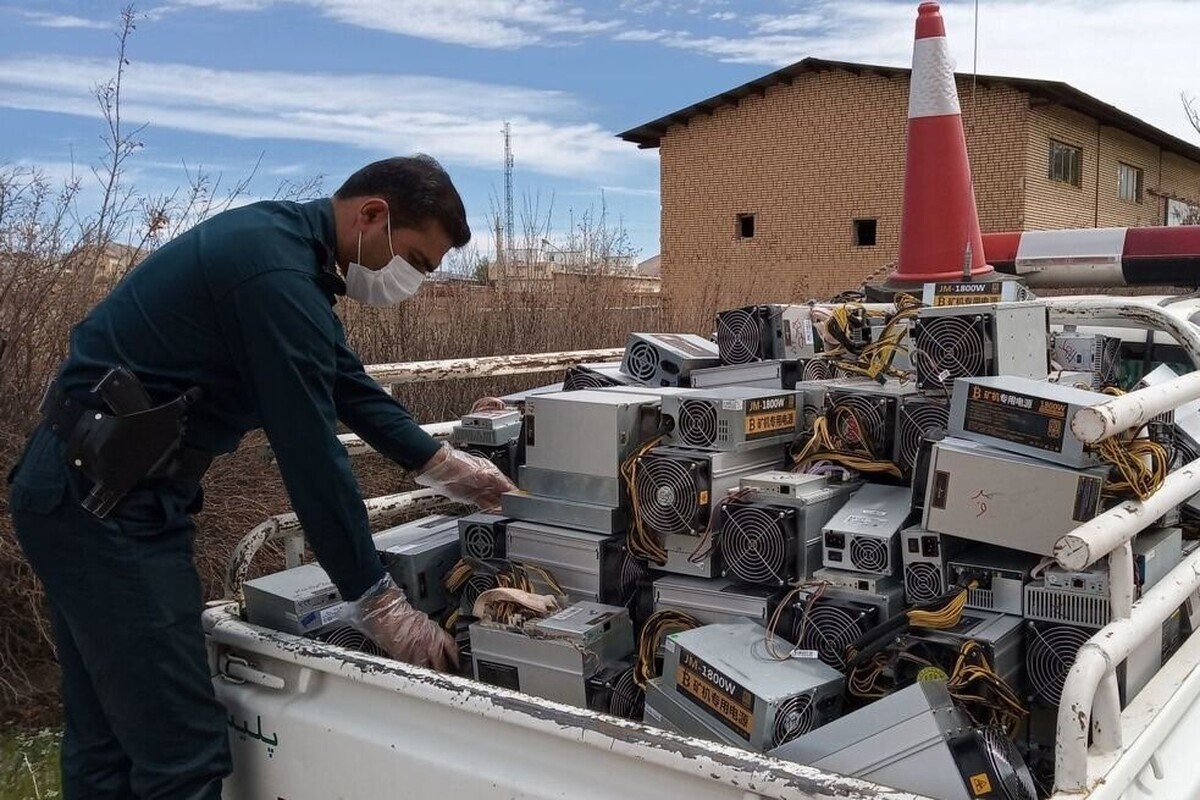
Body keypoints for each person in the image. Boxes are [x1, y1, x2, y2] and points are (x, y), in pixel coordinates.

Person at [6, 155, 516, 799]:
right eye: (415, 260)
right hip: (108, 508)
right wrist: (376, 599)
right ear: (373, 214)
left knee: (107, 735)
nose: (412, 280)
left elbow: (346, 384)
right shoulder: (271, 275)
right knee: (180, 751)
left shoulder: (279, 254)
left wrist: (444, 466)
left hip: (83, 491)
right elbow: (310, 452)